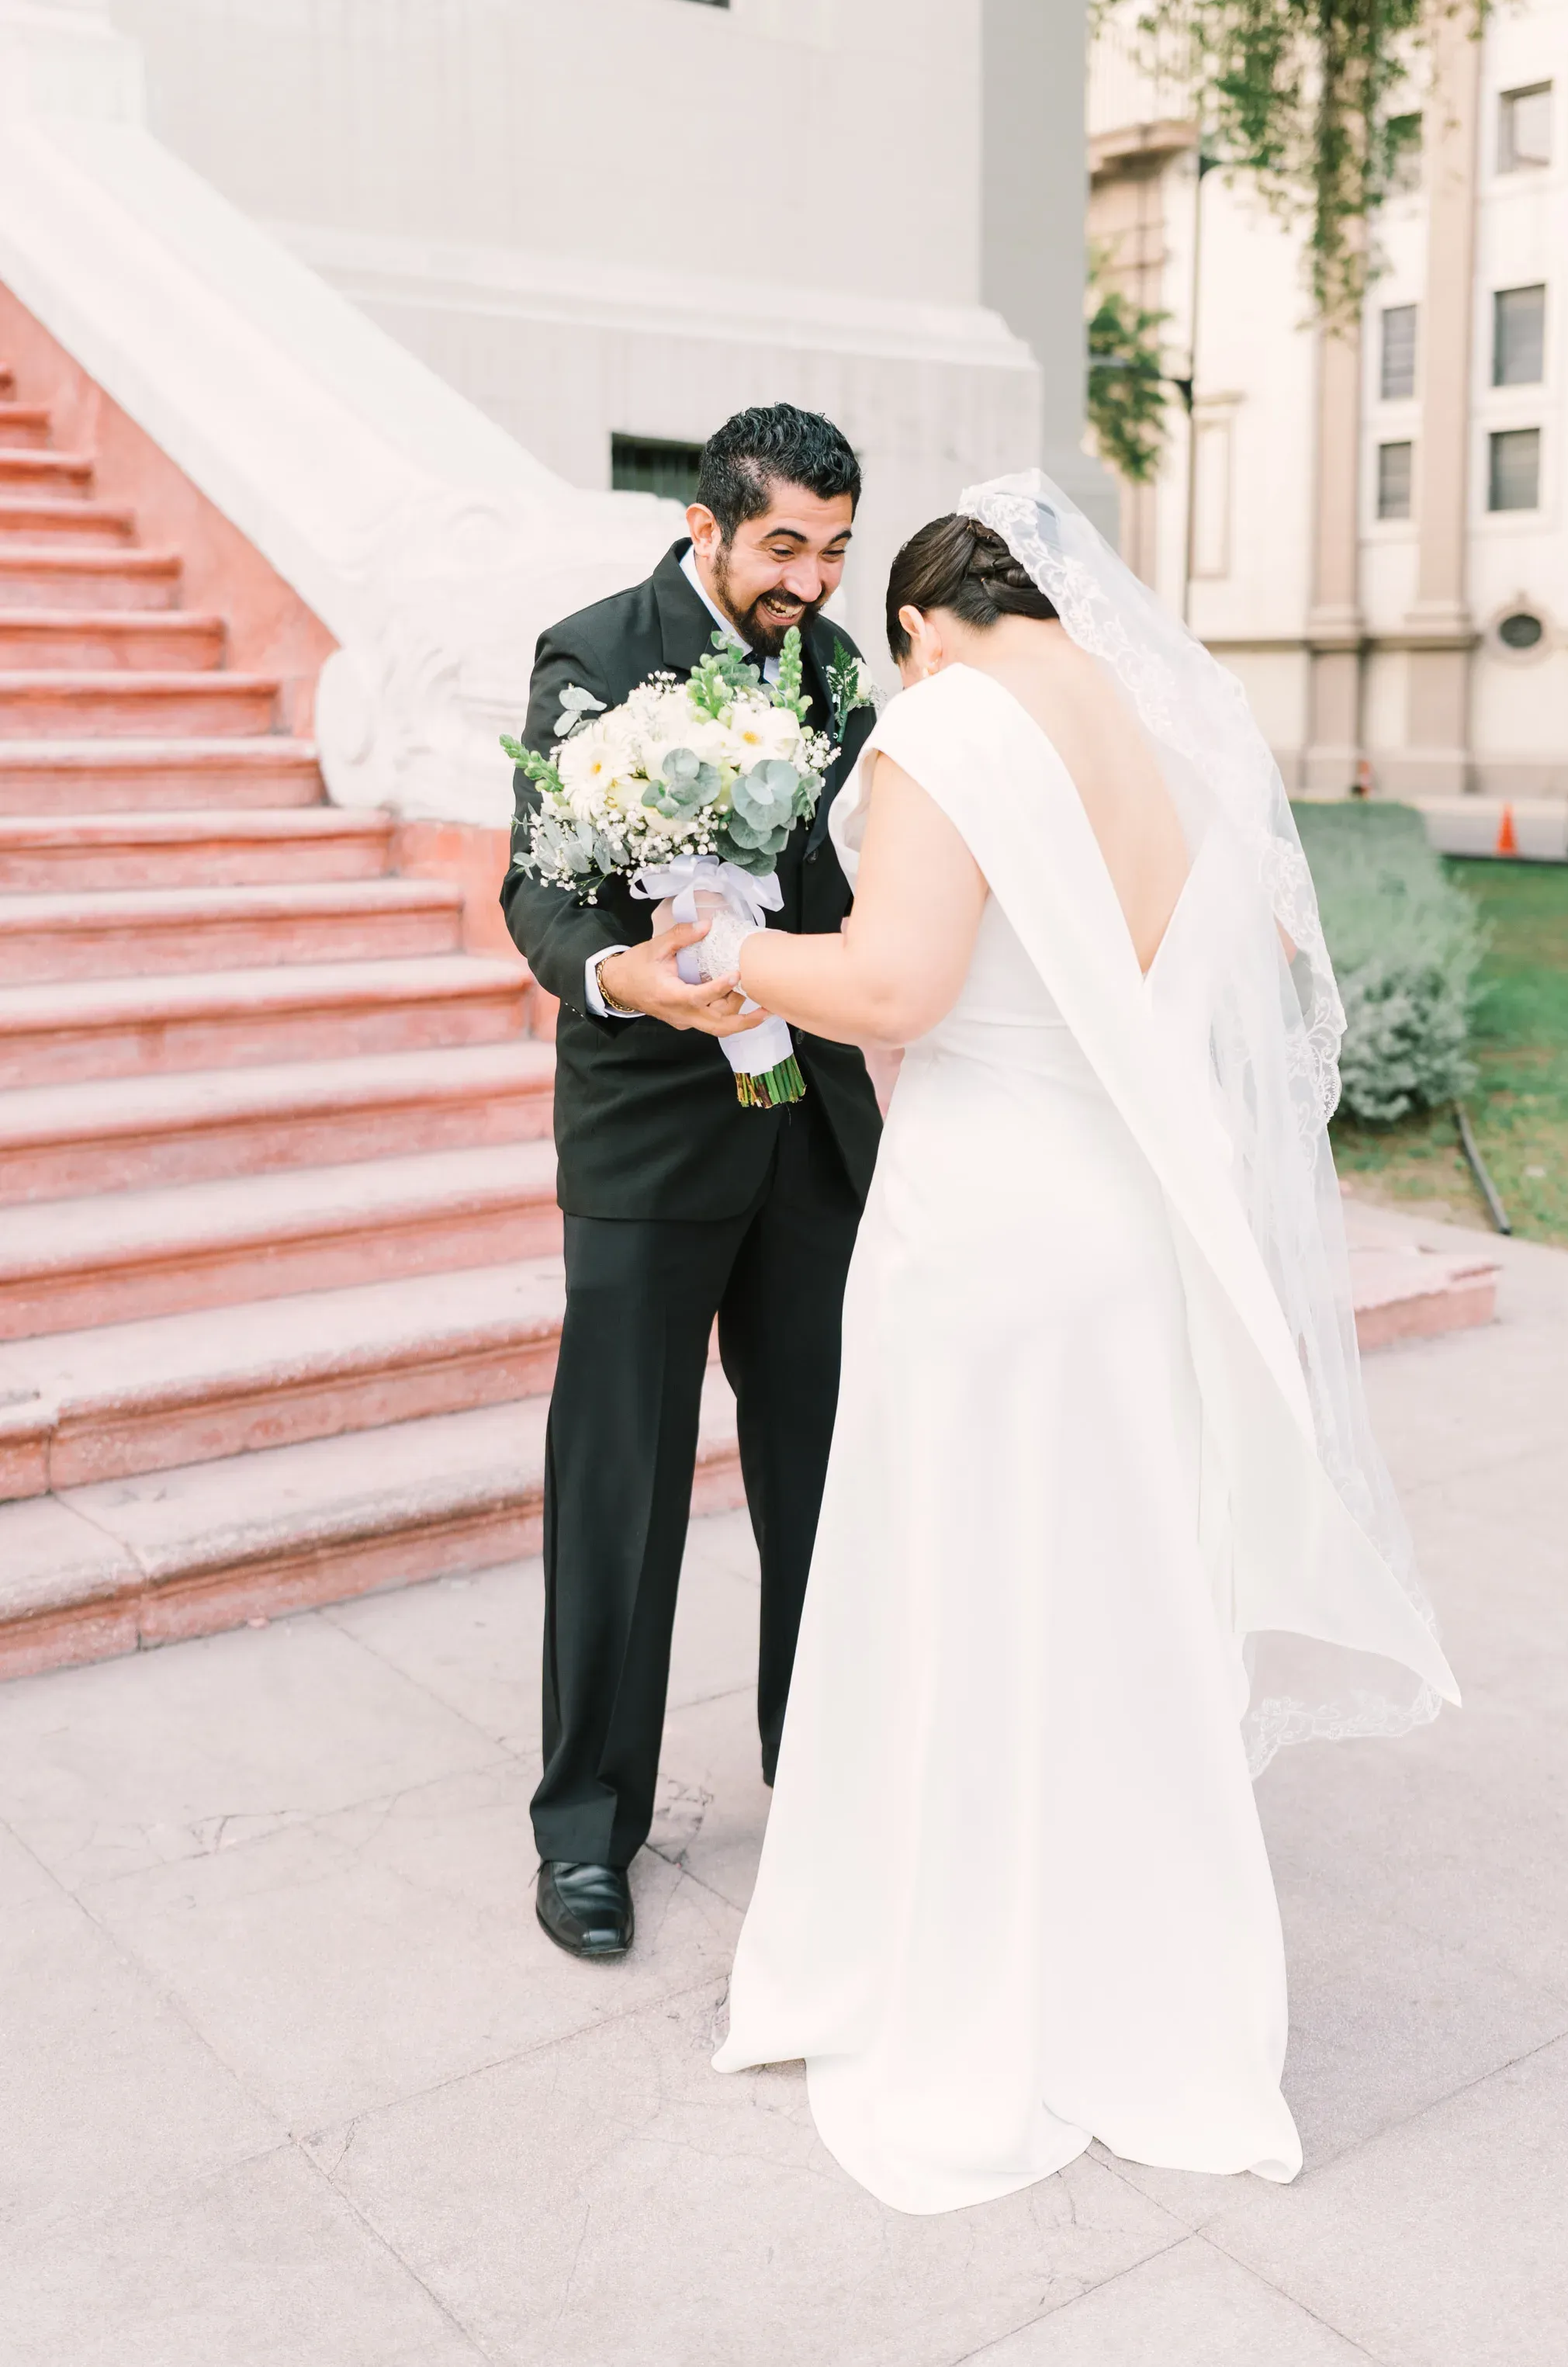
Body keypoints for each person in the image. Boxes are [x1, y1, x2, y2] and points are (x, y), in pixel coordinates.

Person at [708, 473, 1459, 2212]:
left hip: (983, 1225)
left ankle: (958, 1979)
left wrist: (737, 947)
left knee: (963, 1596)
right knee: (1113, 1606)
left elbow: (895, 986)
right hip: (1127, 1231)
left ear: (916, 625)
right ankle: (1153, 1998)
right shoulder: (1173, 735)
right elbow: (1232, 977)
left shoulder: (949, 726)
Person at [500, 405, 881, 1962]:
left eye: (836, 549)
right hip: (649, 1137)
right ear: (709, 525)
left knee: (821, 1482)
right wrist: (625, 980)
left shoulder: (842, 673)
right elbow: (536, 886)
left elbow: (845, 877)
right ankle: (587, 1826)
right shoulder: (594, 650)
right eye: (786, 544)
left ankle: (827, 1776)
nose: (811, 577)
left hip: (808, 1136)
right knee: (620, 1486)